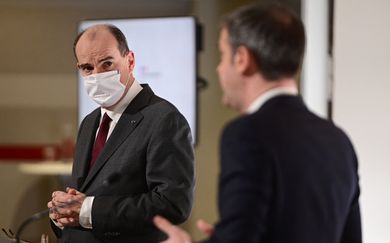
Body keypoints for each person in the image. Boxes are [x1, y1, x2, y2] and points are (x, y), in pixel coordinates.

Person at [154, 2, 362, 243]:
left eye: (222, 55)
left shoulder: (246, 133)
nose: (220, 69)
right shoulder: (338, 140)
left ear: (242, 59)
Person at [47, 24, 195, 243]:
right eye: (87, 68)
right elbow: (83, 197)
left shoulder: (164, 119)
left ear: (130, 60)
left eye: (107, 63)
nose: (97, 75)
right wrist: (63, 213)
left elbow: (173, 204)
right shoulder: (89, 123)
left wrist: (88, 209)